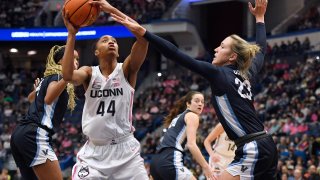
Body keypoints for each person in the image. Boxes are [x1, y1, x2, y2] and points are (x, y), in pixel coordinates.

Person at [110, 0, 278, 179]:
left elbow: (175, 54)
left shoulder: (218, 74)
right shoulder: (246, 73)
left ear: (232, 56)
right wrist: (259, 18)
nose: (215, 49)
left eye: (221, 47)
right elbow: (261, 52)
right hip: (264, 144)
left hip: (252, 147)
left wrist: (144, 33)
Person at [61, 3, 149, 180]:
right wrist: (71, 34)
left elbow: (143, 37)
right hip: (94, 153)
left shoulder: (127, 69)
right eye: (105, 40)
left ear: (117, 51)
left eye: (114, 41)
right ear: (96, 52)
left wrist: (112, 11)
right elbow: (68, 75)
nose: (111, 42)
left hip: (126, 154)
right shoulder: (88, 72)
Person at [10, 45, 79, 180]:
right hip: (35, 133)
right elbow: (48, 99)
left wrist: (37, 91)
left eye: (77, 59)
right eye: (72, 57)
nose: (76, 61)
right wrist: (66, 76)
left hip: (19, 134)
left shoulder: (48, 78)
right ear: (60, 62)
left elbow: (31, 98)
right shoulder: (59, 75)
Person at [149, 91, 215, 180]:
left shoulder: (179, 117)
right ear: (188, 104)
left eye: (202, 102)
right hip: (170, 159)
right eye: (196, 101)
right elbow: (191, 144)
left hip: (156, 162)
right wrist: (206, 167)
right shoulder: (192, 116)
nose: (200, 104)